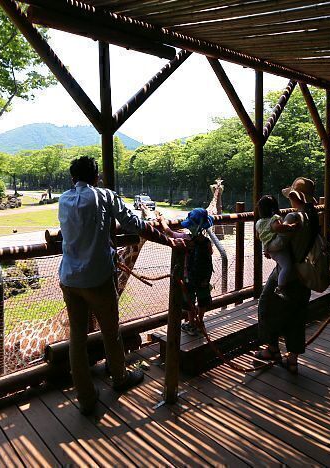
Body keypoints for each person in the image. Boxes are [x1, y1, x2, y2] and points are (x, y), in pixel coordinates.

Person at [58, 156, 183, 415]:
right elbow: (135, 225)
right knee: (110, 331)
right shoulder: (105, 196)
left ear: (73, 179)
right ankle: (119, 377)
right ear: (96, 177)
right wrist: (167, 240)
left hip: (69, 279)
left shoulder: (63, 200)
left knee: (77, 339)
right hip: (97, 278)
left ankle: (85, 398)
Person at [253, 177, 319, 375]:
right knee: (298, 314)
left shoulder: (293, 218)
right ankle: (292, 360)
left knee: (266, 305)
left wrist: (267, 247)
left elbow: (280, 244)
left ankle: (272, 348)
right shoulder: (312, 215)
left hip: (288, 272)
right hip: (305, 272)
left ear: (293, 196)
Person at [161, 208, 214, 336]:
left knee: (190, 300)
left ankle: (191, 324)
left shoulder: (186, 238)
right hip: (204, 278)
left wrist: (162, 220)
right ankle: (200, 321)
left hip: (189, 277)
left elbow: (169, 232)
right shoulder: (207, 241)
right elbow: (211, 253)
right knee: (202, 298)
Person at [255, 194, 300, 301]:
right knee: (287, 266)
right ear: (273, 208)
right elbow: (278, 227)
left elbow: (257, 236)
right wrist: (291, 226)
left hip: (268, 248)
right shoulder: (274, 218)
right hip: (276, 245)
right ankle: (281, 287)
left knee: (282, 263)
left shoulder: (258, 222)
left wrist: (266, 243)